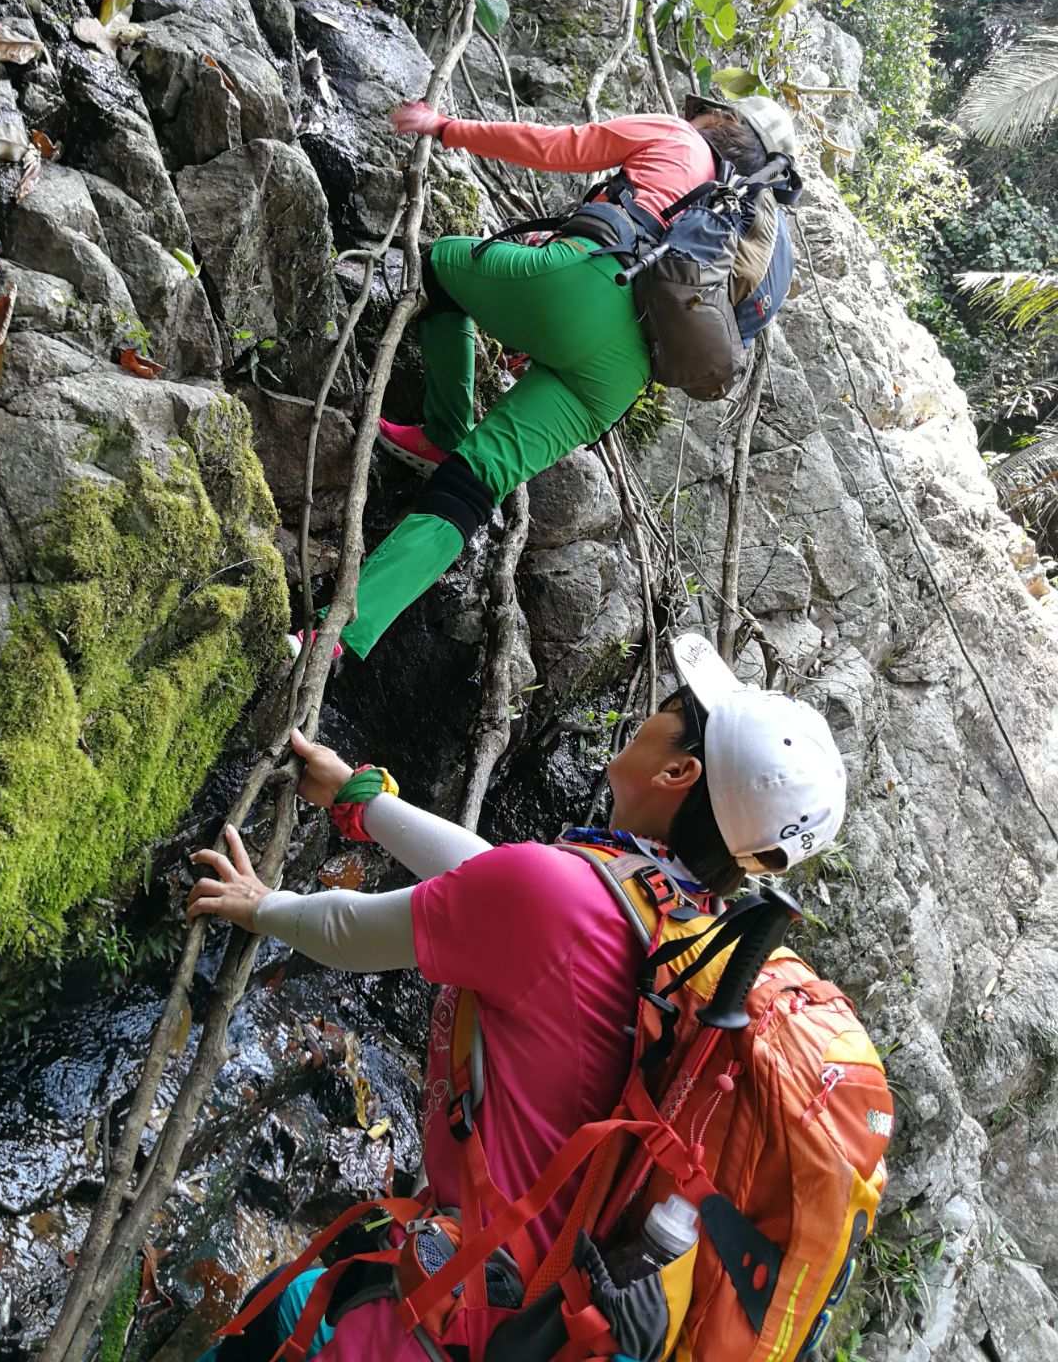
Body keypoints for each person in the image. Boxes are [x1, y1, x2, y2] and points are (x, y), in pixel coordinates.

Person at [189, 632, 847, 1360]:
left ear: (678, 771)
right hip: (535, 1317)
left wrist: (261, 906)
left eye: (670, 708)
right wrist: (363, 803)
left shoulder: (564, 898)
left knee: (276, 1319)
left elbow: (353, 931)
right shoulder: (690, 932)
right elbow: (498, 882)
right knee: (284, 1301)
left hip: (445, 1317)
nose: (653, 714)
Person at [291, 93, 798, 665]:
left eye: (707, 111)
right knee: (475, 485)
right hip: (619, 379)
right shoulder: (754, 234)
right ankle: (333, 642)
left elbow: (559, 146)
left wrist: (447, 126)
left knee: (436, 266)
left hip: (577, 286)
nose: (695, 115)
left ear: (723, 122)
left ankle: (443, 430)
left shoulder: (677, 139)